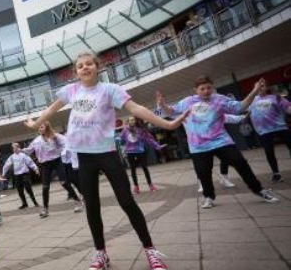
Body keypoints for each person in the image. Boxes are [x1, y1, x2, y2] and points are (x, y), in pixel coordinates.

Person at [27, 52, 189, 270]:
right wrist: (35, 123)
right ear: (76, 72)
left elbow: (136, 109)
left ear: (97, 67)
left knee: (127, 202)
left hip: (107, 154)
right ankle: (101, 253)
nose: (85, 68)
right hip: (84, 157)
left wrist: (168, 125)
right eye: (80, 66)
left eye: (89, 64)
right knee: (92, 206)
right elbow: (50, 110)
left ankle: (150, 250)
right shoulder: (71, 90)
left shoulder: (110, 90)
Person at [157, 76, 279, 209]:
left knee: (240, 163)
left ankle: (259, 190)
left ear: (212, 88)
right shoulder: (187, 101)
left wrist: (254, 91)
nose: (206, 91)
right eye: (202, 89)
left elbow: (239, 107)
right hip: (198, 146)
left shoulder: (219, 99)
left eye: (209, 88)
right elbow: (171, 111)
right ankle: (208, 197)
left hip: (220, 141)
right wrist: (162, 105)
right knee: (203, 172)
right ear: (195, 90)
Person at [24, 122, 80, 218]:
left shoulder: (55, 136)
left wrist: (64, 152)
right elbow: (29, 150)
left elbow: (66, 142)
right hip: (45, 164)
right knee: (45, 186)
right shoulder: (37, 140)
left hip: (57, 161)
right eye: (39, 127)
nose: (40, 129)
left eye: (42, 127)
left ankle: (77, 201)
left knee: (64, 182)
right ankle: (45, 209)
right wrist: (21, 150)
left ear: (47, 127)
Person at [248, 81, 291, 183]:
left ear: (267, 87)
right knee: (269, 152)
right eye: (258, 86)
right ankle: (276, 174)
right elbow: (244, 110)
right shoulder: (251, 100)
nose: (260, 88)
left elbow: (288, 108)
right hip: (264, 131)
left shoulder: (275, 97)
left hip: (280, 127)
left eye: (262, 86)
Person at [119, 116, 165, 194]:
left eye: (133, 120)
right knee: (133, 170)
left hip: (140, 151)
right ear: (128, 121)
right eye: (130, 120)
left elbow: (149, 139)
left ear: (136, 121)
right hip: (130, 152)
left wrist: (157, 146)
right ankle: (136, 187)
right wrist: (122, 146)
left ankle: (150, 185)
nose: (132, 121)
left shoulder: (140, 130)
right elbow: (121, 140)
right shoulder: (125, 130)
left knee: (145, 168)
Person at [2, 143, 40, 209]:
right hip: (17, 175)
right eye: (12, 148)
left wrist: (35, 169)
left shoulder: (23, 155)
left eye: (14, 147)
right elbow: (6, 165)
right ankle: (24, 204)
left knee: (28, 188)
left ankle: (35, 202)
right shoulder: (12, 157)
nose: (13, 149)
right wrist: (3, 173)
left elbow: (30, 162)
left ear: (18, 147)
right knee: (20, 191)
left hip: (25, 174)